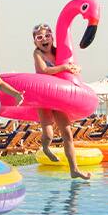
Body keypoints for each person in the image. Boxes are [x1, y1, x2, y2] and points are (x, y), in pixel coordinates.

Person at [31, 23, 92, 180]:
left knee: (67, 134)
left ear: (52, 38)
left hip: (58, 97)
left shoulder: (59, 53)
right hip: (43, 96)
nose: (44, 40)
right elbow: (43, 70)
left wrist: (75, 69)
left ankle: (74, 169)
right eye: (39, 38)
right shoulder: (38, 53)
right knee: (48, 133)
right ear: (35, 41)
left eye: (47, 36)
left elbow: (71, 67)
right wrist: (64, 67)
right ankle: (46, 148)